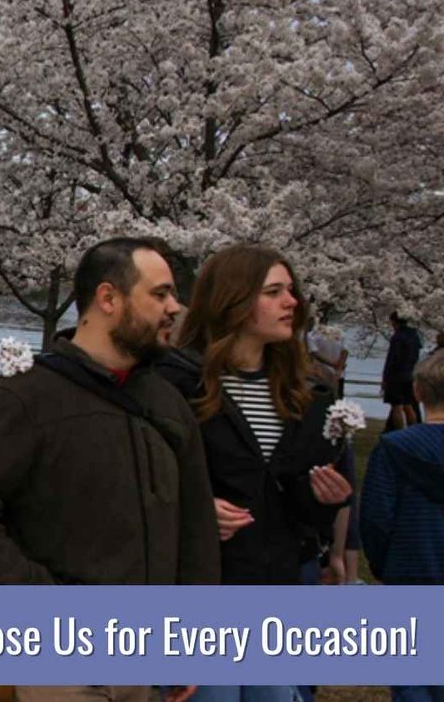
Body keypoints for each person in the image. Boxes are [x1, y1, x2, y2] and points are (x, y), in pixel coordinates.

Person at [0, 238, 217, 702]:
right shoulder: (27, 397)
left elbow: (196, 526)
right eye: (160, 294)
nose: (175, 307)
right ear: (108, 299)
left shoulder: (168, 404)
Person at [155, 245, 352, 702]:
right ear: (234, 300)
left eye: (291, 291)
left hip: (278, 587)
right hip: (199, 591)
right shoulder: (173, 382)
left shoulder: (311, 392)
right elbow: (137, 482)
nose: (293, 303)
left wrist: (322, 500)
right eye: (274, 291)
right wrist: (195, 510)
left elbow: (292, 505)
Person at [361, 349, 444, 702]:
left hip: (410, 573)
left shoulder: (394, 449)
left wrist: (385, 565)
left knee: (413, 682)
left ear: (418, 392)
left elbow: (376, 518)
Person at [384, 312, 425, 432]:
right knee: (408, 405)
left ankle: (398, 431)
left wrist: (386, 377)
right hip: (410, 374)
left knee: (396, 405)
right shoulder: (414, 335)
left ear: (394, 322)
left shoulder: (398, 336)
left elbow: (392, 358)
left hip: (396, 376)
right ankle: (413, 431)